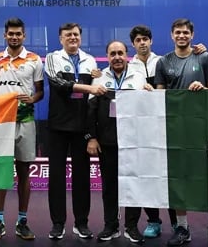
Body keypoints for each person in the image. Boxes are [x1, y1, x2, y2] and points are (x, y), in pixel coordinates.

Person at [154, 18, 208, 247]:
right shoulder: (163, 62)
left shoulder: (203, 57)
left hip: (203, 127)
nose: (182, 36)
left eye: (185, 32)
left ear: (192, 35)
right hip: (175, 129)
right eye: (178, 33)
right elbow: (159, 96)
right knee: (178, 179)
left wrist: (203, 89)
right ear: (172, 35)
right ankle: (182, 227)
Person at [44, 22, 105, 240]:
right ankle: (58, 223)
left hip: (81, 128)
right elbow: (58, 83)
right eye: (68, 35)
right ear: (60, 38)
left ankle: (81, 223)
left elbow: (94, 98)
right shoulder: (52, 57)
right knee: (57, 178)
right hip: (58, 127)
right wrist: (88, 87)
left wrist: (91, 132)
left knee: (82, 179)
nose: (73, 38)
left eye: (76, 34)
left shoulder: (90, 61)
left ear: (81, 37)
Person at [0, 17, 44, 241]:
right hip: (1, 124)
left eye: (18, 33)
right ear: (5, 35)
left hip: (26, 121)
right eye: (10, 33)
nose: (14, 37)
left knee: (24, 173)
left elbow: (40, 92)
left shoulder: (34, 60)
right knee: (1, 173)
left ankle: (22, 221)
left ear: (24, 36)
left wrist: (32, 99)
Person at [86, 40, 147, 244]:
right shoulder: (100, 78)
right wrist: (92, 138)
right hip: (108, 142)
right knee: (109, 186)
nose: (117, 57)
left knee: (133, 186)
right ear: (107, 56)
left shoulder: (139, 78)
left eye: (120, 53)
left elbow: (147, 110)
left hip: (134, 142)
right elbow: (90, 112)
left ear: (127, 55)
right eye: (113, 53)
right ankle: (110, 225)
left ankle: (131, 226)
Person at [126, 25, 177, 238]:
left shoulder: (163, 62)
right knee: (146, 177)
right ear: (133, 43)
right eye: (138, 40)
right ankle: (154, 221)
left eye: (145, 39)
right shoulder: (129, 67)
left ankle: (177, 224)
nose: (142, 43)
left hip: (165, 126)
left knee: (168, 178)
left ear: (151, 41)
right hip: (140, 130)